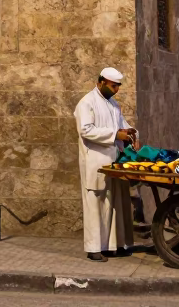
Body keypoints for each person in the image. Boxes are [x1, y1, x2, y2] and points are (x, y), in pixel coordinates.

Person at [74, 67, 136, 262]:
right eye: (113, 86)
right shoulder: (86, 103)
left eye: (118, 86)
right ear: (100, 82)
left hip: (112, 161)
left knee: (113, 204)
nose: (116, 89)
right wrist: (115, 135)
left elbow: (122, 125)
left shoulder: (113, 104)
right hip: (95, 161)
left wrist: (131, 132)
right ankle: (93, 248)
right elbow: (86, 130)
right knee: (95, 204)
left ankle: (111, 246)